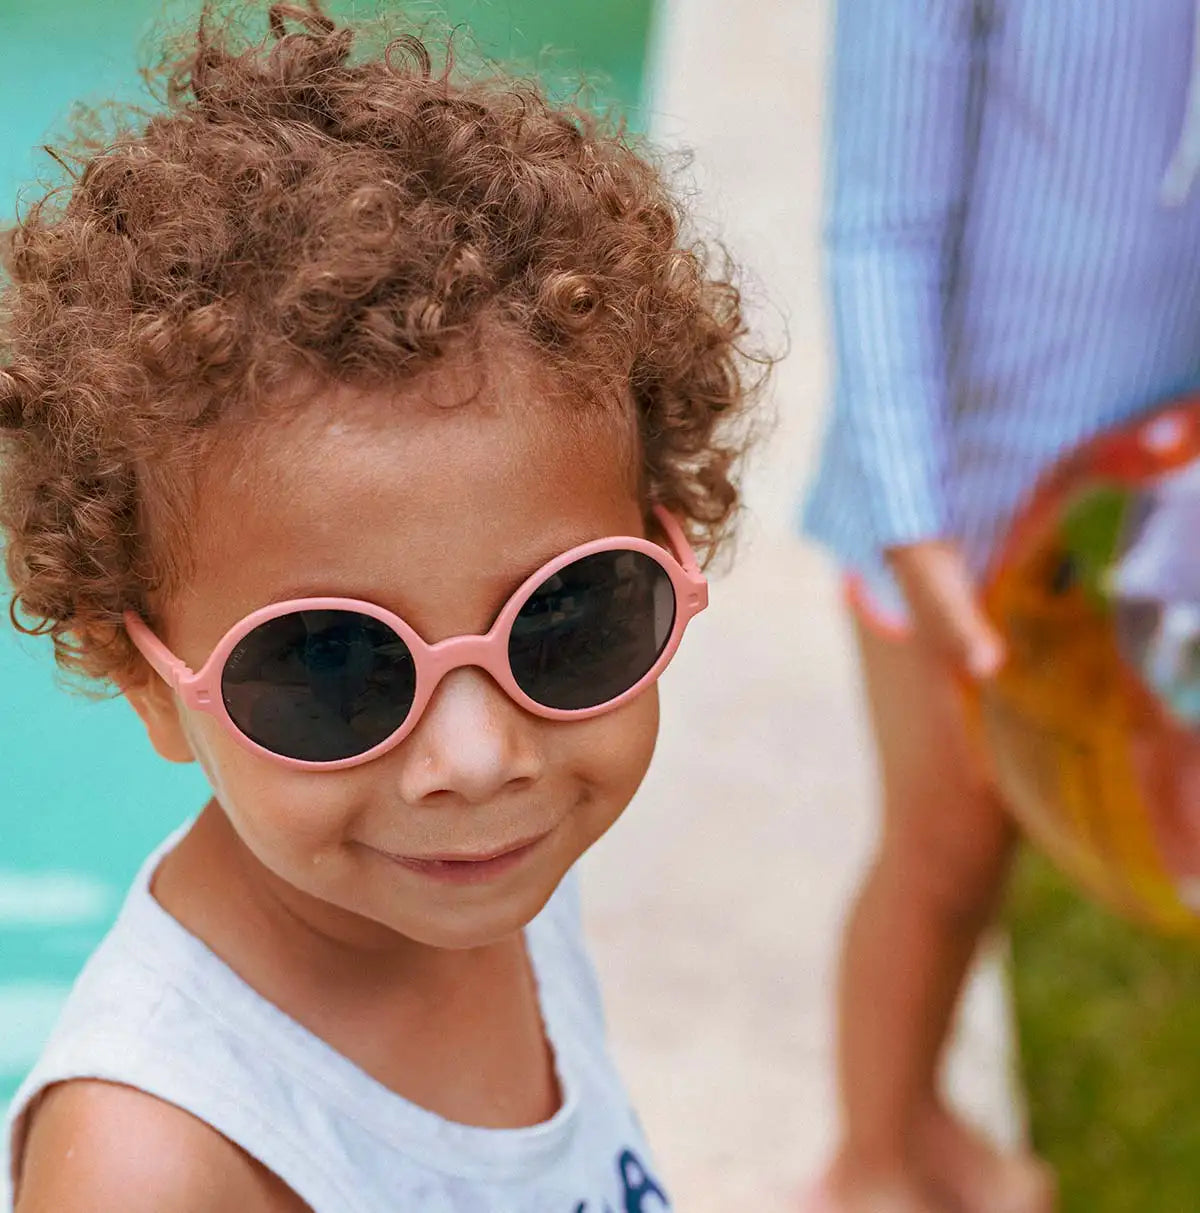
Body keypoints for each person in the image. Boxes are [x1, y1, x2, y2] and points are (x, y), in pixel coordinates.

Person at [0, 5, 762, 1210]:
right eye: (334, 668)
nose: (477, 755)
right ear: (139, 670)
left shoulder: (495, 869)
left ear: (674, 536)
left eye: (565, 623)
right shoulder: (158, 1161)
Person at [802, 3, 1200, 1211]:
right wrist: (916, 528)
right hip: (959, 492)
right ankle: (872, 1158)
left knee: (1032, 822)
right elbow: (880, 228)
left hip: (1146, 486)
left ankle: (918, 1121)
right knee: (943, 847)